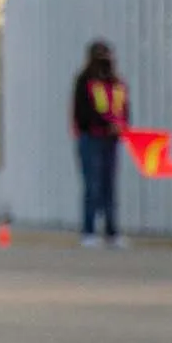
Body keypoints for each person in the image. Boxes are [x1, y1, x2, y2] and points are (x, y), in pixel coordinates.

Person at [70, 40, 128, 248]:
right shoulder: (85, 81)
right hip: (91, 139)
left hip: (111, 140)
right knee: (92, 186)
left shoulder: (117, 83)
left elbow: (124, 109)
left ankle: (112, 232)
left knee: (109, 186)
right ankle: (89, 231)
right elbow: (83, 113)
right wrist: (106, 124)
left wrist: (120, 127)